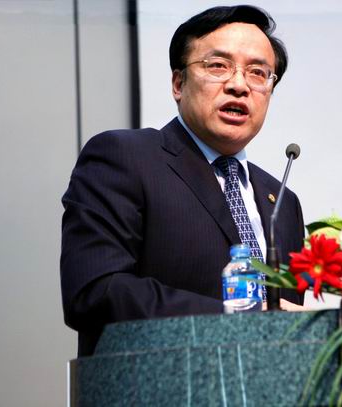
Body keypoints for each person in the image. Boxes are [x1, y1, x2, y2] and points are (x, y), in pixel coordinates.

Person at [60, 5, 305, 357]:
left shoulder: (281, 200)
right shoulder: (125, 158)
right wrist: (241, 317)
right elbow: (96, 291)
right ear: (179, 83)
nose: (239, 85)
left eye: (257, 73)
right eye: (218, 66)